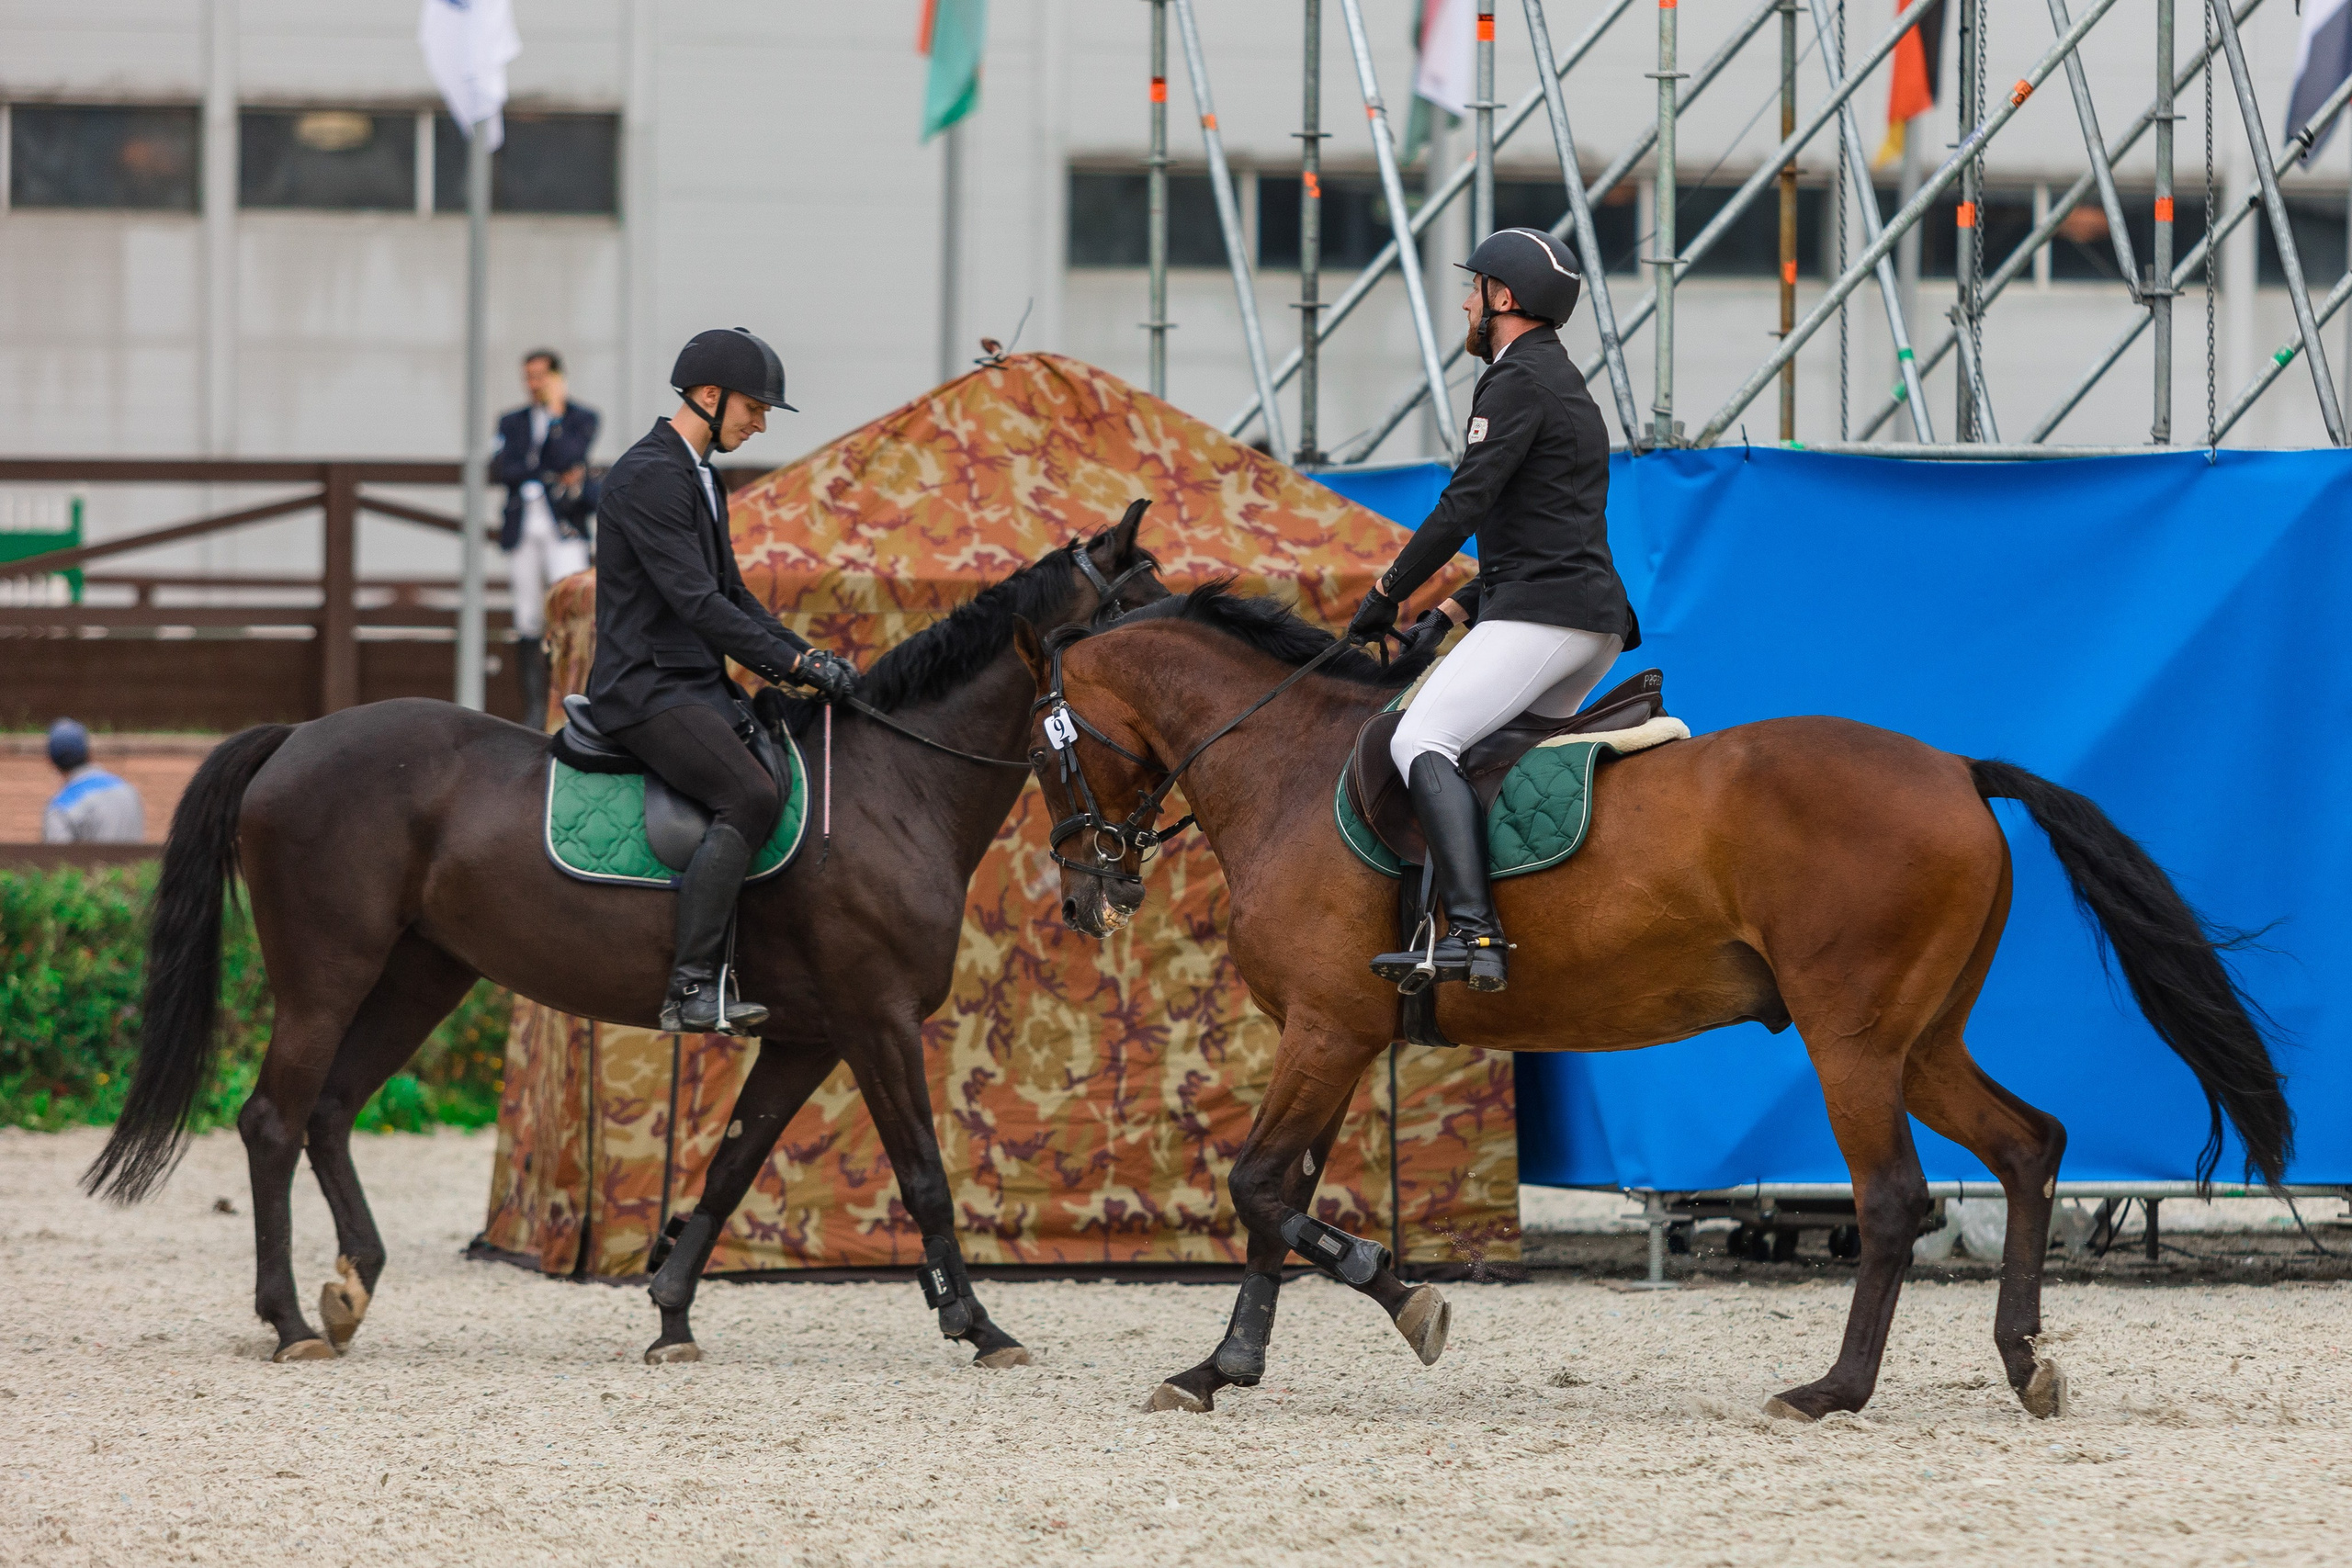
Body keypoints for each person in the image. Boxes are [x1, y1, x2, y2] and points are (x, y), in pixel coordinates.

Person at [1346, 228, 1639, 995]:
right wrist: (1448, 608)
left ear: (1504, 300)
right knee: (1485, 762)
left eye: (1474, 289)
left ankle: (1475, 931)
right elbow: (1546, 525)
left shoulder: (1514, 381)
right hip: (1581, 619)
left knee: (1422, 739)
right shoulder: (1561, 380)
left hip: (1546, 616)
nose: (1466, 301)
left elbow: (1466, 503)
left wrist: (1386, 594)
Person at [586, 327, 860, 1034]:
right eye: (754, 407)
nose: (761, 421)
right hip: (643, 686)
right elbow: (694, 604)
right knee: (747, 791)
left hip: (689, 681)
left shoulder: (702, 475)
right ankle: (690, 986)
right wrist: (791, 666)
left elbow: (731, 593)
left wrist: (807, 656)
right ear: (709, 396)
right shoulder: (650, 474)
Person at [492, 348, 600, 729]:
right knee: (528, 616)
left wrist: (555, 419)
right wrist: (547, 470)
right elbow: (504, 469)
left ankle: (573, 701)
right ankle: (535, 707)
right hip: (524, 525)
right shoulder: (511, 421)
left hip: (563, 526)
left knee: (570, 608)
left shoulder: (580, 417)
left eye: (540, 376)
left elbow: (570, 454)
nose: (533, 384)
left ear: (556, 376)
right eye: (529, 376)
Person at [40, 719, 145, 844]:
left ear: (50, 761)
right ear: (89, 753)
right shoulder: (128, 790)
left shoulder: (61, 807)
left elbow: (58, 859)